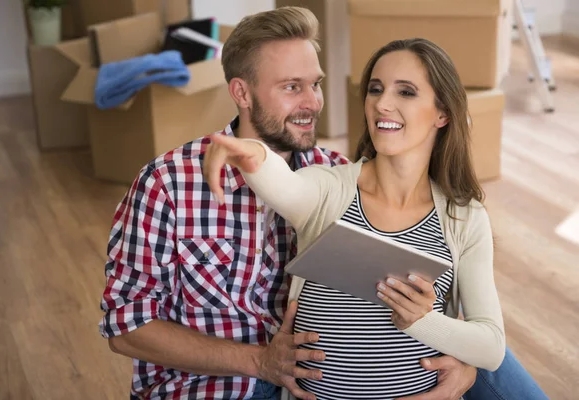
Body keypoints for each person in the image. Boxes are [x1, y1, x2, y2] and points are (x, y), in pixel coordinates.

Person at [99, 6, 548, 400]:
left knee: (495, 358)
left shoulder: (336, 170)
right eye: (292, 87)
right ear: (241, 93)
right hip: (221, 383)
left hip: (317, 373)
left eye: (316, 84)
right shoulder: (168, 183)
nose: (313, 102)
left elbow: (445, 294)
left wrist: (464, 365)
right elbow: (126, 327)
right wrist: (257, 362)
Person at [203, 38, 510, 399]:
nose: (382, 103)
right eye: (375, 90)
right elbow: (282, 185)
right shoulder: (329, 188)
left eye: (406, 92)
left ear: (442, 113)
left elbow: (491, 347)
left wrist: (423, 321)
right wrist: (252, 152)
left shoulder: (463, 216)